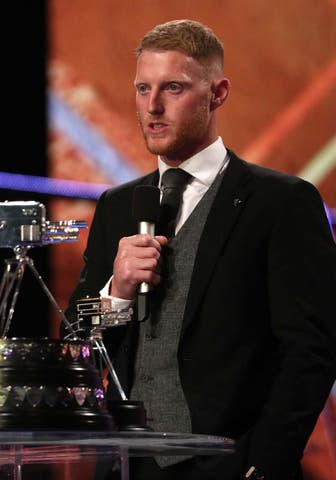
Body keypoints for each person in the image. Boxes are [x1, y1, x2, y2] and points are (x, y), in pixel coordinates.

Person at [64, 19, 336, 480]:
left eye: (173, 87)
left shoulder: (281, 203)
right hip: (130, 467)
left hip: (233, 466)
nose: (152, 106)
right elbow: (75, 341)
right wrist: (118, 292)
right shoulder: (116, 206)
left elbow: (313, 349)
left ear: (218, 92)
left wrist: (265, 462)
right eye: (142, 88)